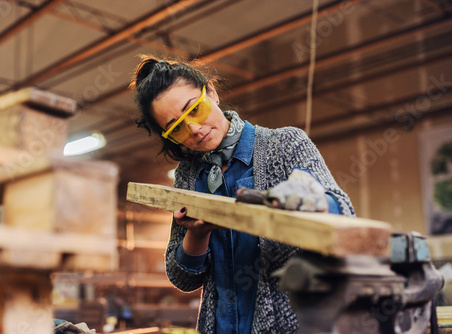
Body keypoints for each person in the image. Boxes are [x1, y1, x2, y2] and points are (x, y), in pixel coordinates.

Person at [130, 55, 355, 334]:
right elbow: (183, 278)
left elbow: (345, 214)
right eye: (176, 128)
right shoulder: (188, 174)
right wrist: (197, 234)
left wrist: (313, 202)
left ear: (211, 93)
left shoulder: (285, 145)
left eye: (195, 110)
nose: (194, 129)